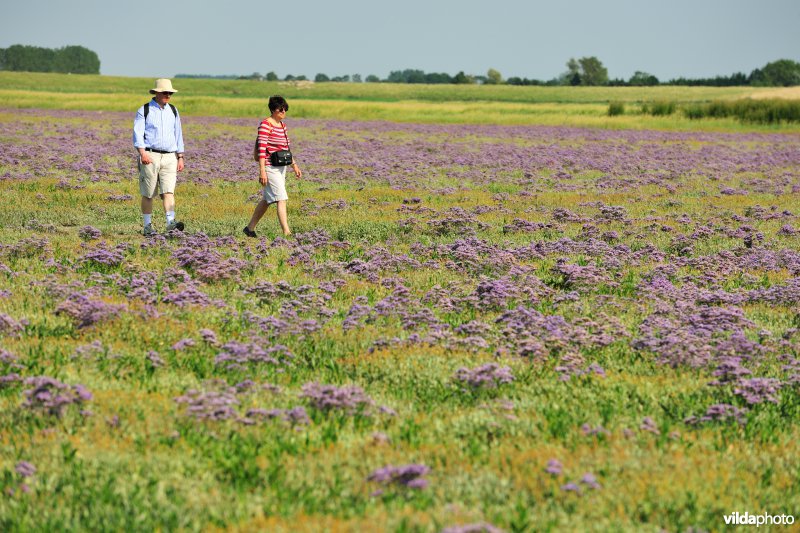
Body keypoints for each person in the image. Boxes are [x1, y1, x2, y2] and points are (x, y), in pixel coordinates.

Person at [244, 95, 302, 238]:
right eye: (281, 109)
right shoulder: (265, 125)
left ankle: (249, 229)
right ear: (273, 109)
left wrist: (294, 165)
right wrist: (262, 171)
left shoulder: (282, 126)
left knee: (267, 200)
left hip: (281, 166)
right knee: (281, 198)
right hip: (269, 167)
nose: (283, 112)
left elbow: (286, 148)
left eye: (285, 109)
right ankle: (287, 232)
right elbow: (262, 149)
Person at [132, 78, 185, 236]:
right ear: (156, 93)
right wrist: (142, 153)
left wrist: (180, 156)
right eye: (165, 92)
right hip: (150, 155)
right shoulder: (145, 110)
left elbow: (178, 134)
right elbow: (137, 133)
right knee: (148, 193)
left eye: (170, 93)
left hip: (170, 156)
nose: (168, 95)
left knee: (168, 191)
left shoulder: (173, 110)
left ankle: (171, 223)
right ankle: (148, 226)